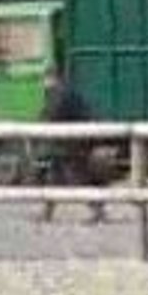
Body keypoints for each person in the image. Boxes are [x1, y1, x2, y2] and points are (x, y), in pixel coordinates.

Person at [39, 67, 104, 223]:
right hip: (71, 141)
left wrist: (38, 126)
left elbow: (52, 114)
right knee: (54, 178)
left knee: (76, 177)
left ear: (53, 79)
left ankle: (97, 210)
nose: (44, 83)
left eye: (46, 79)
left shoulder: (59, 94)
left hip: (71, 143)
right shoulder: (65, 91)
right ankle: (47, 213)